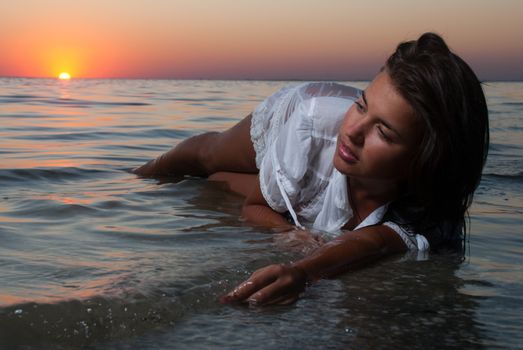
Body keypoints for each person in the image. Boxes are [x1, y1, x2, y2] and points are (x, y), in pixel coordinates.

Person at [134, 32, 489, 306]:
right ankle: (138, 174)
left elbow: (373, 242)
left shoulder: (429, 210)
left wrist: (303, 270)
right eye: (362, 106)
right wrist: (289, 235)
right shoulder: (317, 126)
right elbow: (254, 206)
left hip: (321, 172)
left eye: (383, 131)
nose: (352, 132)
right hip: (297, 124)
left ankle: (221, 182)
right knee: (207, 157)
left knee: (220, 182)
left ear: (424, 160)